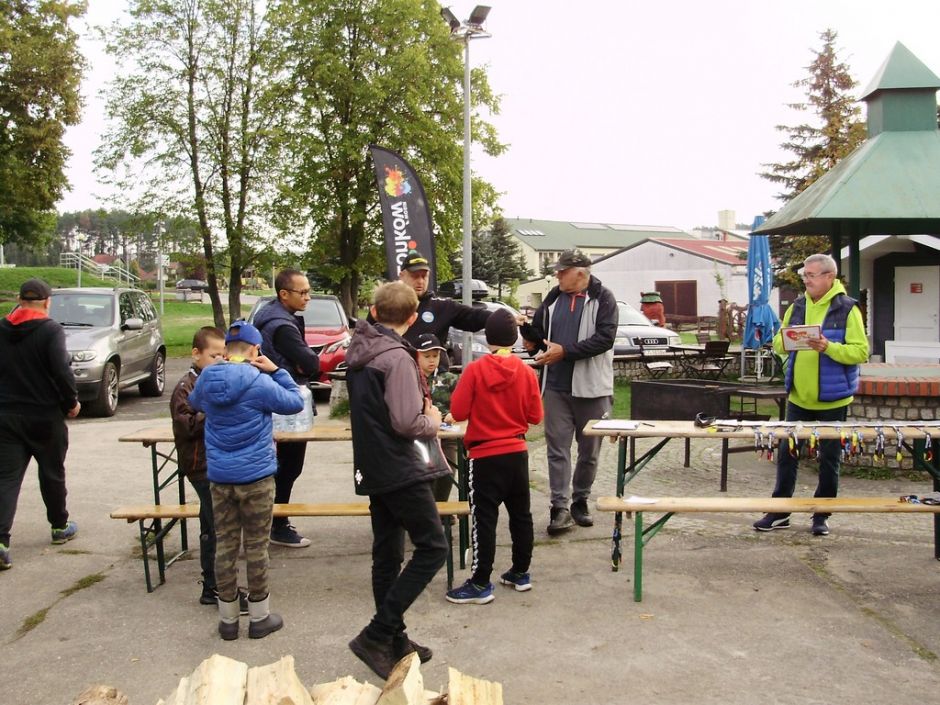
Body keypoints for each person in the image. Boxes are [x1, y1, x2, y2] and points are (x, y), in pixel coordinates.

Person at [345, 281, 450, 680]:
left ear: (374, 312)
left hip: (374, 464)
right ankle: (376, 635)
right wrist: (433, 420)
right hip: (400, 467)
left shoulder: (360, 350)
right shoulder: (397, 357)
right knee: (433, 548)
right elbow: (407, 422)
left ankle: (394, 639)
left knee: (388, 554)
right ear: (413, 317)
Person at [188, 321, 304, 640]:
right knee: (256, 546)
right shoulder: (260, 381)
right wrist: (276, 370)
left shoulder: (207, 377)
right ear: (255, 350)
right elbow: (295, 402)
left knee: (225, 544)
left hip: (220, 477)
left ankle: (228, 620)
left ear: (226, 350)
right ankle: (259, 616)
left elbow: (194, 403)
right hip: (256, 477)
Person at [753, 254, 869, 536]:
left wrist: (828, 347)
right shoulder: (797, 306)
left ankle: (821, 514)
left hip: (833, 398)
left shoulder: (847, 308)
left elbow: (860, 351)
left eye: (811, 275)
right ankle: (780, 512)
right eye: (804, 275)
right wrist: (789, 340)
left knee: (829, 459)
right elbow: (778, 343)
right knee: (787, 455)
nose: (806, 280)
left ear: (829, 277)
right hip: (798, 397)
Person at [445, 309, 544, 604]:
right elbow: (536, 416)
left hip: (485, 454)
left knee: (484, 519)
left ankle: (480, 582)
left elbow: (459, 411)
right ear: (515, 339)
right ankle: (520, 572)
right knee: (521, 515)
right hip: (517, 451)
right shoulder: (527, 372)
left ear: (487, 337)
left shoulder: (474, 370)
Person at [521, 249, 618, 535]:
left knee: (589, 452)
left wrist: (565, 352)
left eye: (562, 271)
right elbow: (541, 337)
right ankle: (559, 508)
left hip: (593, 388)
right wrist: (530, 337)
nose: (557, 275)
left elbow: (605, 339)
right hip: (555, 387)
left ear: (580, 272)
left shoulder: (604, 298)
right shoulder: (553, 297)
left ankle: (580, 501)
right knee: (557, 449)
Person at [0, 278, 81, 570]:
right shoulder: (50, 330)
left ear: (19, 301)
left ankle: (1, 542)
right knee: (51, 472)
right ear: (47, 302)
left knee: (6, 479)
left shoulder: (1, 327)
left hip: (7, 416)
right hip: (45, 415)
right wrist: (71, 401)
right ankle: (59, 526)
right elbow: (61, 370)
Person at [170, 325, 248, 610]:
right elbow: (187, 425)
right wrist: (214, 410)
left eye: (223, 356)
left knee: (211, 523)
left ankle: (210, 585)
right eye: (214, 356)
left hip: (217, 462)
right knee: (219, 526)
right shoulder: (186, 387)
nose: (220, 361)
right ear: (196, 354)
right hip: (200, 465)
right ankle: (219, 587)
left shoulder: (216, 381)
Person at [252, 268, 320, 548]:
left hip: (274, 399)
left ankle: (269, 521)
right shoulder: (283, 326)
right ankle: (277, 525)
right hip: (286, 406)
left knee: (279, 466)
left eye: (308, 291)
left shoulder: (269, 316)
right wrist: (305, 364)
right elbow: (312, 364)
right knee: (288, 467)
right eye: (302, 292)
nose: (307, 297)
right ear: (284, 294)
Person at [372, 249, 491, 370]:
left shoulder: (442, 306)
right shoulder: (387, 304)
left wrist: (500, 318)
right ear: (402, 275)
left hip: (434, 377)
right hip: (395, 371)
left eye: (424, 276)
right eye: (415, 276)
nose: (420, 281)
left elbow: (476, 317)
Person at [414, 333, 460, 502]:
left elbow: (462, 405)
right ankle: (426, 508)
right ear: (416, 356)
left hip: (447, 436)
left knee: (448, 470)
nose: (432, 360)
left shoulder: (450, 379)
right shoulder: (410, 379)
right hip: (420, 437)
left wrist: (454, 414)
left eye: (436, 356)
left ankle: (441, 507)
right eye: (427, 356)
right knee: (422, 473)